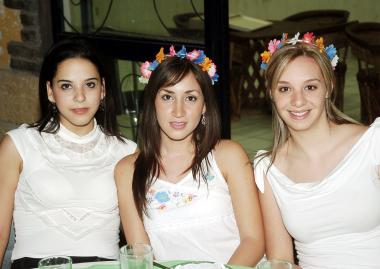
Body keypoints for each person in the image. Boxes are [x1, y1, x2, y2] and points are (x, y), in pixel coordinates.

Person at [115, 45, 264, 266]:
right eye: (167, 97)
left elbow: (253, 241)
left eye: (191, 98)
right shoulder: (128, 170)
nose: (178, 111)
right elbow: (140, 253)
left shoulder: (228, 156)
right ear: (152, 102)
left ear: (204, 106)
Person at [0, 37, 137, 269]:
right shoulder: (19, 145)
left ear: (103, 89)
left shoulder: (127, 151)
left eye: (90, 84)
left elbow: (139, 239)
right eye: (66, 86)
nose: (80, 96)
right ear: (50, 92)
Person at [254, 32, 380, 268]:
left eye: (310, 87)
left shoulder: (372, 144)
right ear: (271, 93)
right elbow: (280, 259)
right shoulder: (267, 169)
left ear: (328, 87)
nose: (298, 101)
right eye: (285, 89)